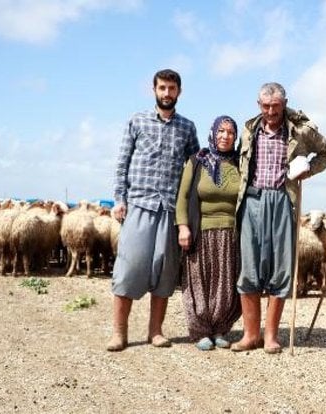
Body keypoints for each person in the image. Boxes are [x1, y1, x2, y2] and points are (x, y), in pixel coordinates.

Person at [231, 82, 326, 354]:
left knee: (281, 269)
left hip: (282, 200)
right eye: (265, 106)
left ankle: (270, 337)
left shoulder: (300, 131)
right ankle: (250, 335)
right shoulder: (249, 130)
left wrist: (308, 170)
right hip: (252, 200)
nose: (270, 111)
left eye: (275, 106)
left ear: (285, 103)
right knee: (249, 269)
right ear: (258, 105)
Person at [107, 69, 199, 352]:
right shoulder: (137, 121)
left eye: (172, 88)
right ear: (154, 90)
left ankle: (155, 331)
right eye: (162, 88)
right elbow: (122, 162)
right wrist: (118, 199)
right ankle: (119, 333)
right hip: (139, 204)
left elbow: (194, 168)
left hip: (171, 209)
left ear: (179, 92)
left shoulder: (187, 128)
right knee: (129, 268)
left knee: (165, 271)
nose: (167, 93)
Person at [176, 115, 242, 351]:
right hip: (201, 230)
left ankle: (221, 328)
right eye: (221, 131)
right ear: (213, 133)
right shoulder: (197, 161)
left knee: (226, 282)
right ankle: (201, 330)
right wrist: (183, 226)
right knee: (199, 281)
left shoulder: (239, 163)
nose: (225, 136)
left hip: (230, 234)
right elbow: (182, 197)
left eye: (230, 132)